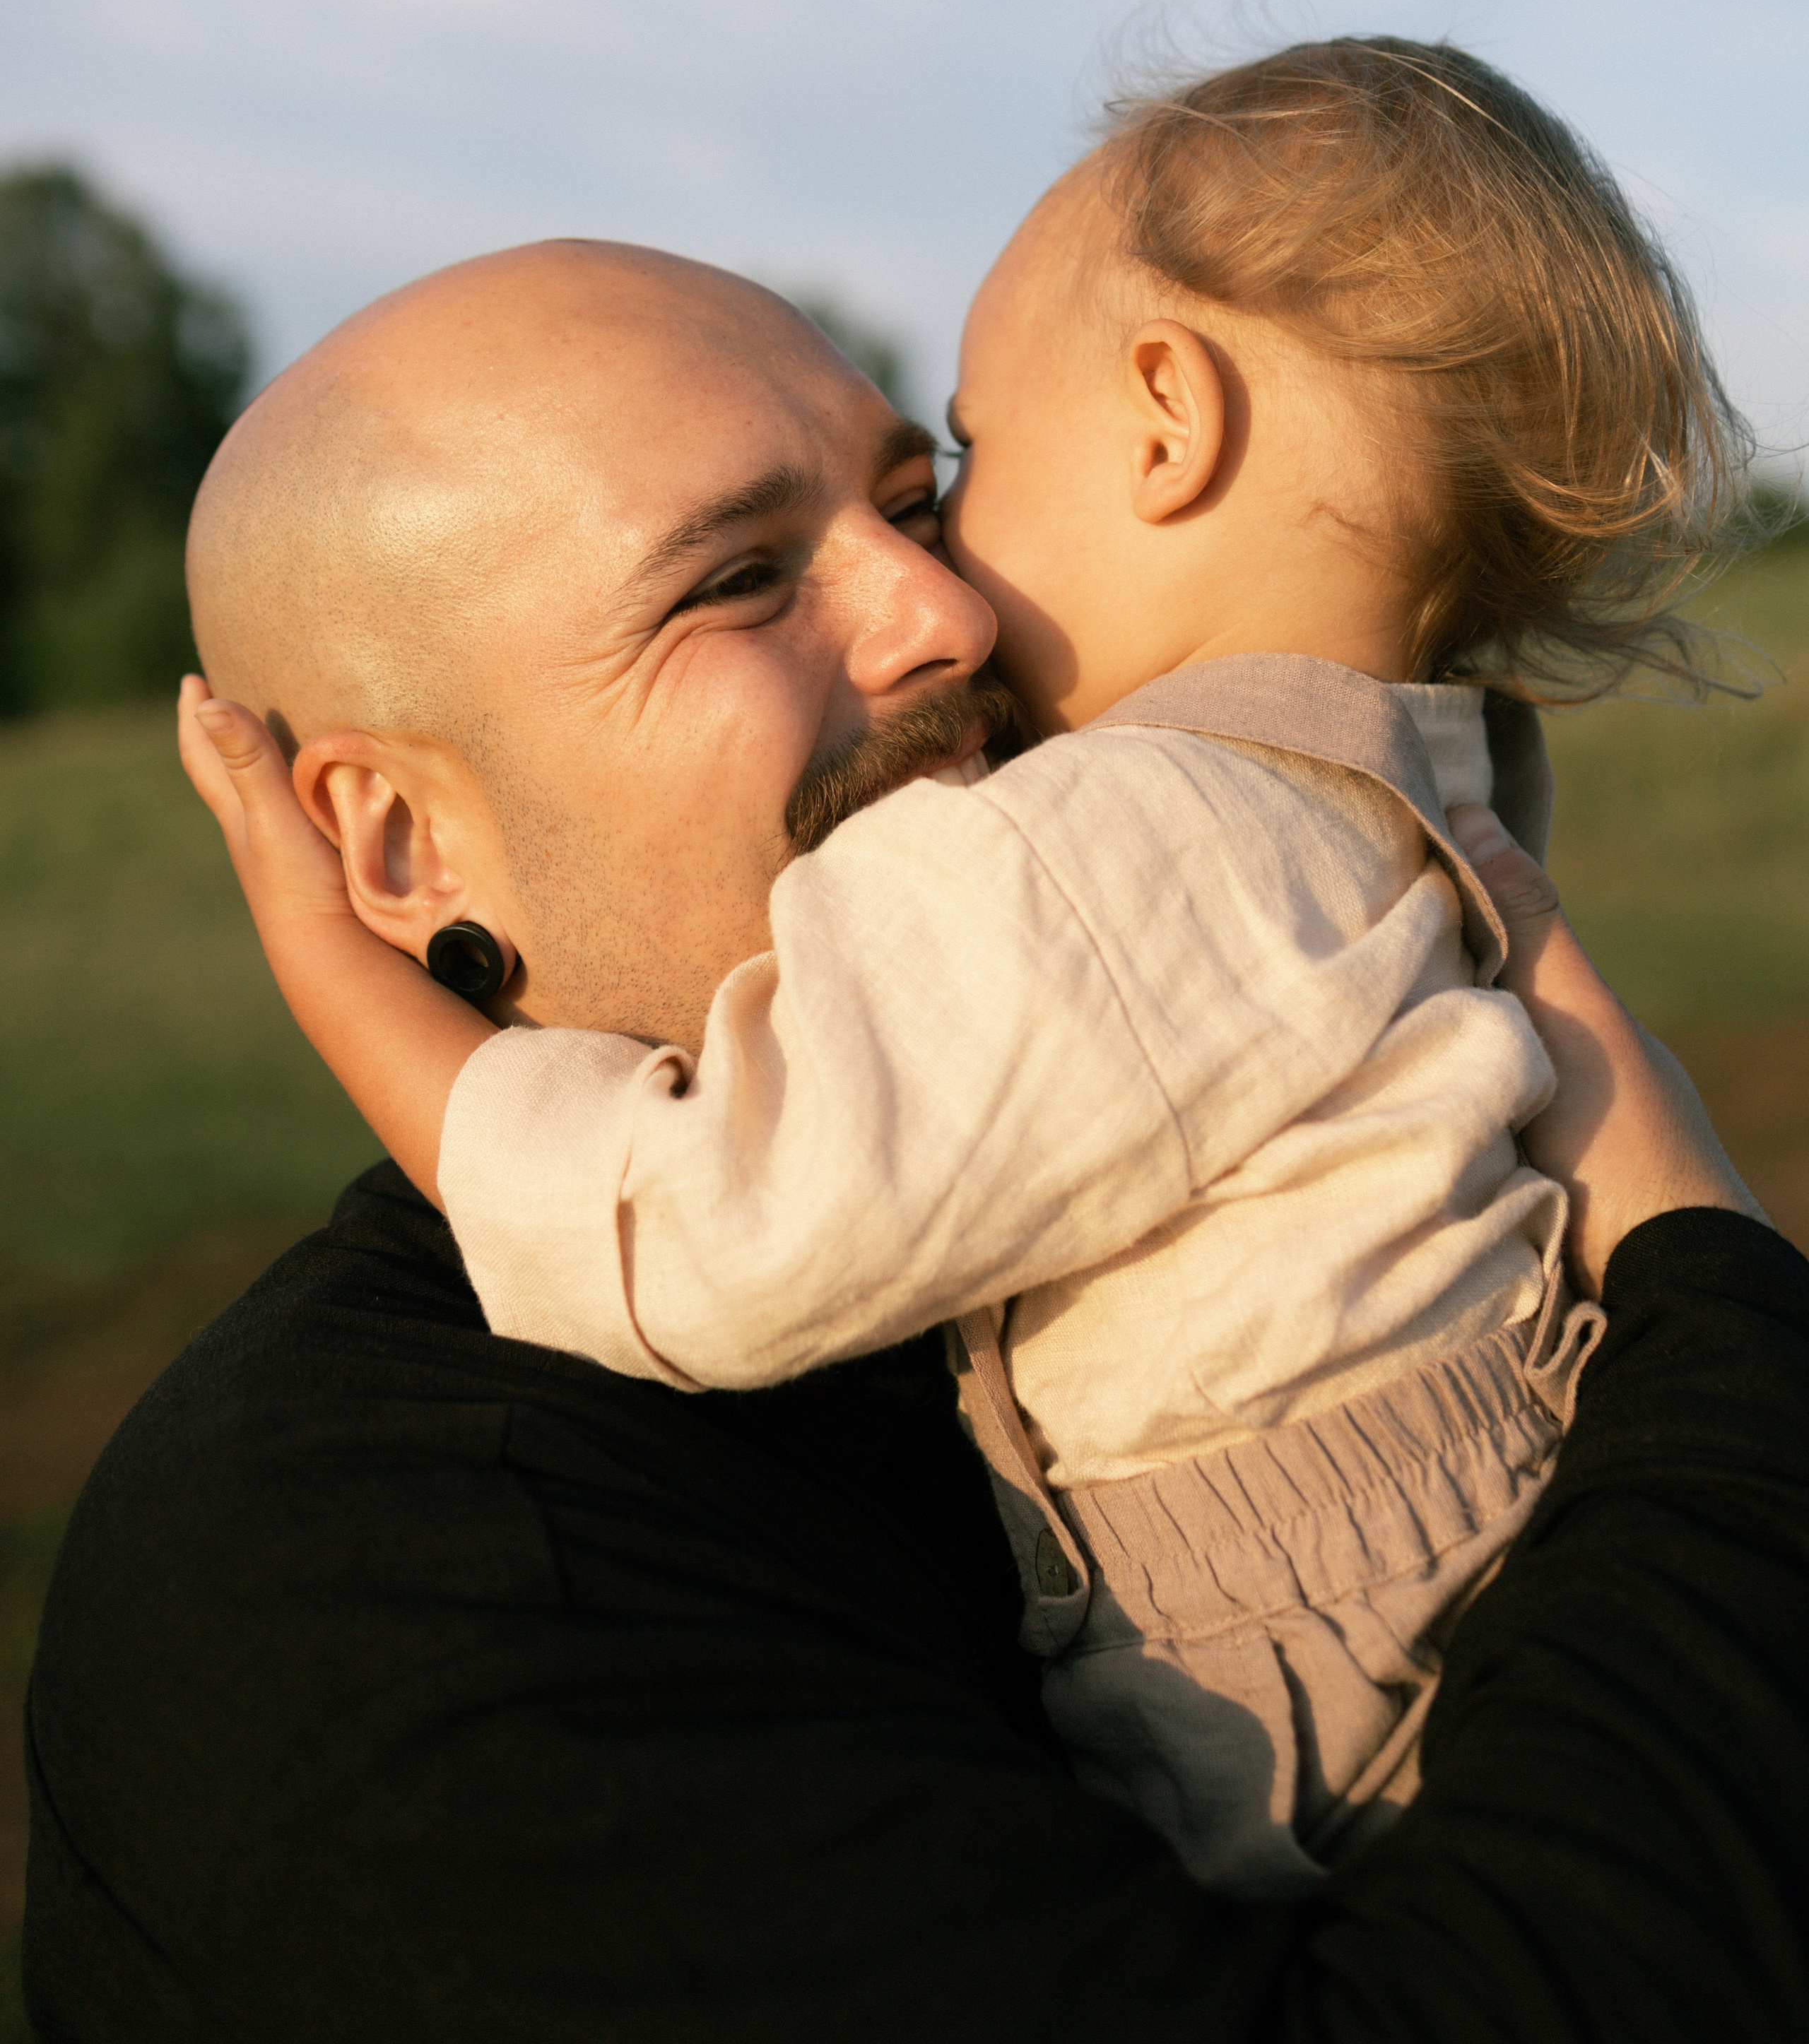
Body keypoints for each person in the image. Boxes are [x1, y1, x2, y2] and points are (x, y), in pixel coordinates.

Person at [24, 224, 1809, 2041]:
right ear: (399, 845)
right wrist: (1707, 1289)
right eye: (734, 580)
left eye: (916, 496)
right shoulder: (382, 1591)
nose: (942, 614)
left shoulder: (1124, 1154)